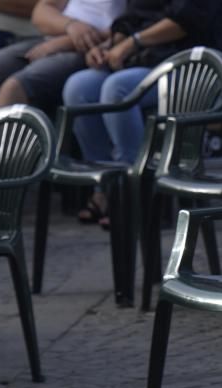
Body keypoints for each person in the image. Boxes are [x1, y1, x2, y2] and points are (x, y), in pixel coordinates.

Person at [62, 0, 214, 225]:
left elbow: (186, 20)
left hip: (191, 63)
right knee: (79, 87)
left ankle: (134, 187)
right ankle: (105, 185)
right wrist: (108, 46)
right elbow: (133, 18)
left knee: (118, 89)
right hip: (143, 60)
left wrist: (132, 43)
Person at [0, 0, 126, 111]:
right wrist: (70, 26)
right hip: (52, 37)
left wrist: (66, 42)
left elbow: (128, 25)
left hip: (91, 50)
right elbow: (41, 12)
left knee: (14, 87)